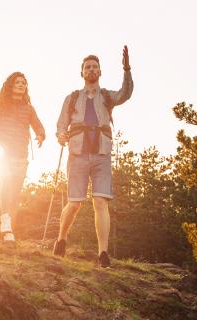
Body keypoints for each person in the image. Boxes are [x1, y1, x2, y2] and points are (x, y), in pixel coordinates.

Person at [53, 46, 134, 267]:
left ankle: (103, 253)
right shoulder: (72, 98)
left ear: (100, 72)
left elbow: (125, 93)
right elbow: (61, 123)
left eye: (95, 67)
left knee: (100, 201)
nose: (91, 69)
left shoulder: (107, 96)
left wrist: (127, 69)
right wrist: (61, 135)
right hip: (78, 153)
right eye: (87, 67)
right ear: (82, 73)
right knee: (75, 203)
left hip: (101, 153)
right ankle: (61, 239)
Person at [0, 72, 45, 242]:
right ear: (11, 86)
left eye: (23, 83)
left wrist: (41, 135)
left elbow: (38, 125)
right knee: (6, 182)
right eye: (17, 82)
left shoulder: (29, 108)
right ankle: (5, 220)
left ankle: (9, 228)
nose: (21, 85)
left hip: (21, 153)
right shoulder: (1, 107)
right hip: (3, 152)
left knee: (15, 191)